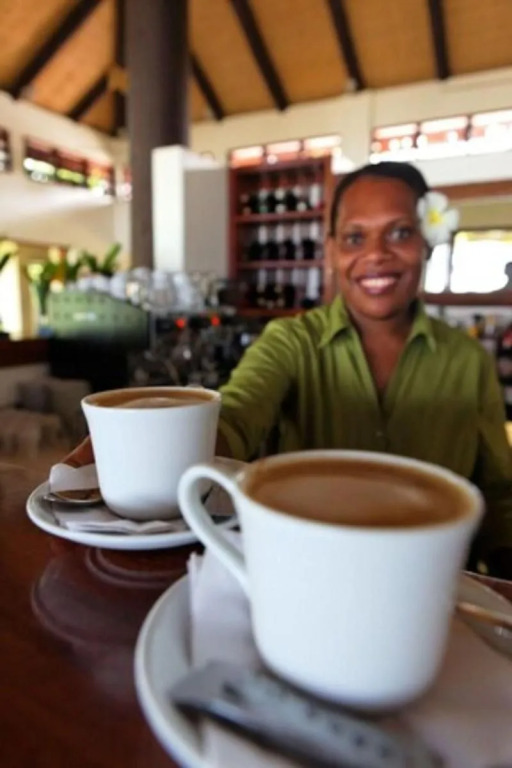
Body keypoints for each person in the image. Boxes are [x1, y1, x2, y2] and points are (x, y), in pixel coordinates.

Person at [65, 162, 512, 578]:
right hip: (308, 573)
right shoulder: (291, 341)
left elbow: (498, 493)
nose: (376, 254)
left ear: (426, 241)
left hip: (433, 583)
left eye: (399, 232)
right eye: (355, 238)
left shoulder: (468, 360)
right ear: (331, 250)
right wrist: (152, 443)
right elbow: (237, 414)